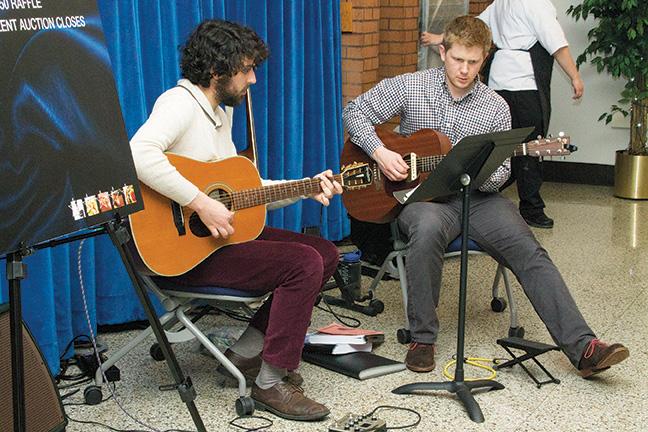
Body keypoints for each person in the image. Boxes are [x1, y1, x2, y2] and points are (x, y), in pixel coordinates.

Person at [343, 15, 628, 378]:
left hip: (475, 198)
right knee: (426, 229)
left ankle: (584, 347)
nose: (464, 70)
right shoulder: (412, 85)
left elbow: (500, 177)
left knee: (529, 248)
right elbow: (354, 111)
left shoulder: (495, 106)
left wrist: (488, 170)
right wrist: (381, 152)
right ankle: (422, 338)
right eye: (457, 59)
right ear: (442, 52)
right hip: (423, 198)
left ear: (485, 58)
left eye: (473, 62)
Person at [130, 19, 343, 421]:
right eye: (246, 69)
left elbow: (245, 190)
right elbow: (138, 154)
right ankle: (269, 382)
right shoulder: (179, 103)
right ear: (217, 72)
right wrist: (201, 203)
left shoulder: (218, 113)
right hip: (180, 255)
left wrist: (304, 187)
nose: (254, 79)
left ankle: (244, 355)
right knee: (302, 263)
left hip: (216, 241)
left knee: (325, 252)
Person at [421, 0, 584, 229]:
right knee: (530, 145)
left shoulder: (501, 3)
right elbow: (557, 45)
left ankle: (474, 194)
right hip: (524, 85)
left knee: (498, 145)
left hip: (498, 81)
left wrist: (440, 38)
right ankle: (531, 207)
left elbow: (474, 27)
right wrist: (575, 77)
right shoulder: (536, 4)